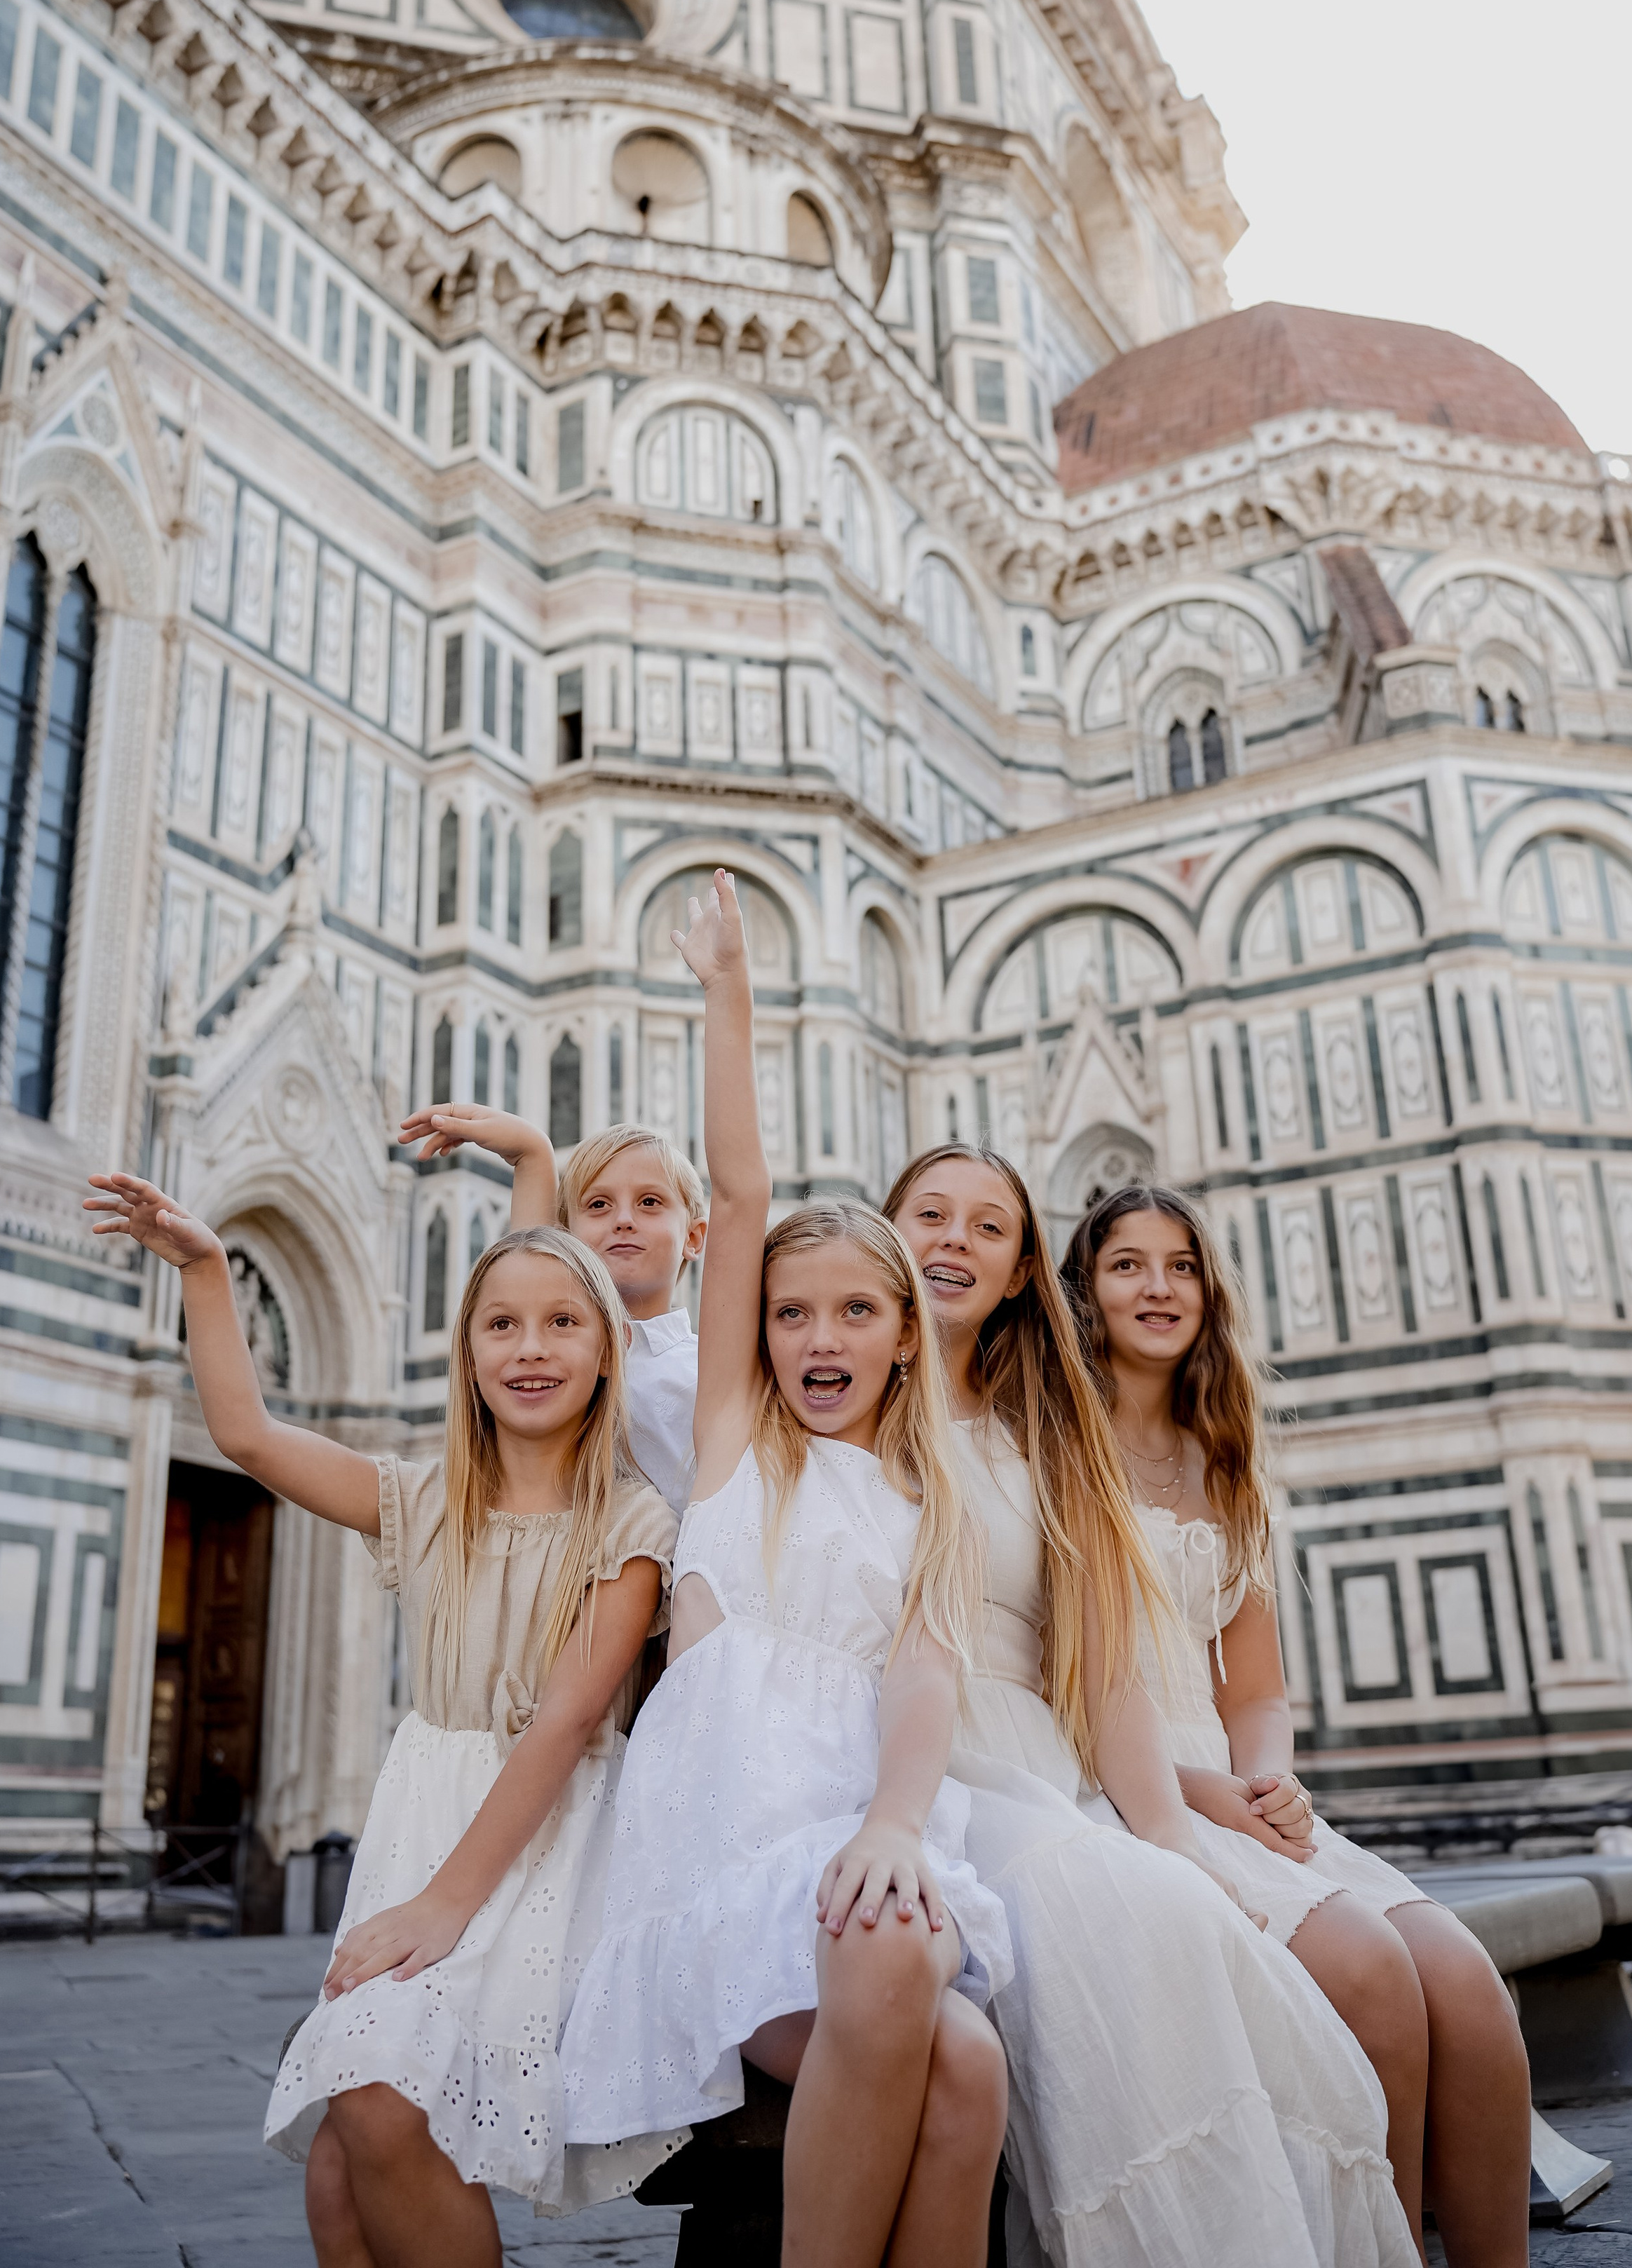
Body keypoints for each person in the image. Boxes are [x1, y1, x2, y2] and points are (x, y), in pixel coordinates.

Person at [82, 1174, 680, 2265]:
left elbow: (562, 1726)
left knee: (376, 2099)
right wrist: (209, 1271)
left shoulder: (629, 1524)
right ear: (467, 1355)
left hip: (540, 1847)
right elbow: (251, 1437)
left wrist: (442, 1907)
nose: (529, 1348)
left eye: (562, 1323)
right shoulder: (425, 1501)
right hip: (425, 1810)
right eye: (500, 1325)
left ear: (607, 1353)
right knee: (340, 2163)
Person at [562, 876, 1012, 2268]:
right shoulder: (729, 1445)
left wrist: (891, 1822)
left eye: (857, 1311)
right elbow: (741, 1189)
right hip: (724, 1839)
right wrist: (726, 992)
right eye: (791, 1311)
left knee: (969, 2070)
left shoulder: (921, 1492)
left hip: (855, 1814)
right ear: (757, 1333)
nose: (821, 1333)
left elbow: (928, 1668)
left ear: (897, 1337)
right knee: (894, 1981)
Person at [886, 1145, 1418, 2268]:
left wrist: (1181, 1825)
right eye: (928, 1215)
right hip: (921, 1770)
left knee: (1303, 1952)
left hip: (1049, 1765)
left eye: (989, 1227)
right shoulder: (825, 1385)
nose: (953, 1242)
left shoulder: (1052, 1432)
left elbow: (1111, 1655)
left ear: (1028, 1267)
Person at [1061, 1181, 1532, 2268]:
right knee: (1372, 1971)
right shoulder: (1057, 1453)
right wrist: (1206, 1793)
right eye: (1128, 1263)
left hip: (1236, 1792)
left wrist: (1269, 1779)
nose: (1159, 1285)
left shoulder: (1228, 1465)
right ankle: (1391, 2247)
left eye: (1182, 1264)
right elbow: (1065, 1685)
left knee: (1465, 1984)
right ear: (1084, 1290)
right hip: (1124, 1787)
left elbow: (1256, 1688)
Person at [397, 1108, 705, 1513]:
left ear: (694, 1237)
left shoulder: (709, 1367)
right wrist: (532, 1154)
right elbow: (532, 1271)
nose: (624, 1220)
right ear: (567, 1235)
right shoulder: (560, 1354)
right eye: (598, 1204)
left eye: (650, 1202)